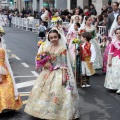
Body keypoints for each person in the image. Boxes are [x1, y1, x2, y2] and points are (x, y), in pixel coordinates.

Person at [25, 29, 80, 119]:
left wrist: (64, 76)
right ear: (49, 39)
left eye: (55, 37)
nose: (53, 39)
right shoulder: (48, 47)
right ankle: (44, 111)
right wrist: (44, 63)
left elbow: (64, 63)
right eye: (51, 38)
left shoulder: (62, 48)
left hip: (60, 71)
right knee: (45, 91)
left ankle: (60, 113)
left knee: (60, 92)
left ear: (58, 37)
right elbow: (45, 58)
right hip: (49, 71)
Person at [0, 37, 22, 113]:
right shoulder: (2, 50)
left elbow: (3, 63)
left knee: (5, 88)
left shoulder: (1, 50)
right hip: (4, 71)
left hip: (2, 72)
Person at [104, 28, 120, 94]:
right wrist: (109, 61)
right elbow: (111, 52)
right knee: (116, 72)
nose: (119, 34)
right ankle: (116, 86)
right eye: (117, 33)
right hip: (116, 58)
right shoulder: (114, 42)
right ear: (115, 34)